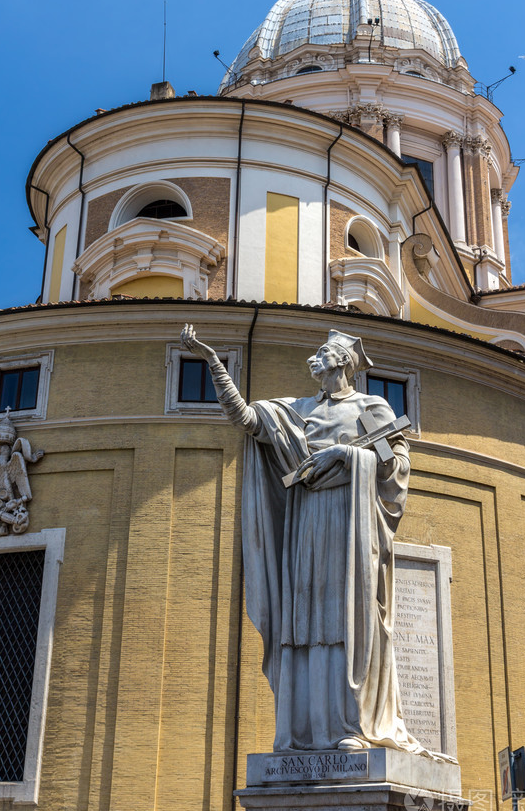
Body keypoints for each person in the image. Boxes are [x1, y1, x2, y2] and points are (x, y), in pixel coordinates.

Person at [181, 323, 426, 754]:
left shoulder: (371, 409)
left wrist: (347, 455)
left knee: (346, 620)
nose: (315, 357)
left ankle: (350, 724)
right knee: (307, 621)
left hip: (351, 524)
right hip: (306, 521)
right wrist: (214, 363)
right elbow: (246, 420)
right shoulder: (297, 411)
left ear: (344, 361)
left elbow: (394, 469)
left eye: (324, 352)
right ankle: (306, 730)